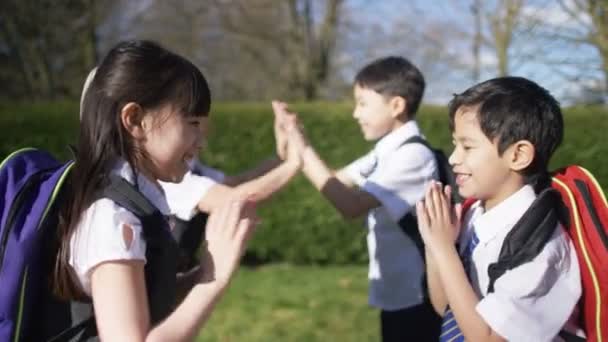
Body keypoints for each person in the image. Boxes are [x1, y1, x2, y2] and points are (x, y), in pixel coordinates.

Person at [49, 39, 270, 341]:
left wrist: (206, 269)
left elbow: (150, 298)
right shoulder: (112, 217)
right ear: (135, 120)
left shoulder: (134, 201)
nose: (200, 139)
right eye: (191, 121)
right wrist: (211, 281)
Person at [273, 56, 441, 341]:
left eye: (362, 103)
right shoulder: (386, 151)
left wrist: (304, 149)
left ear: (396, 106)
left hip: (418, 296)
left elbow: (350, 205)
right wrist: (293, 144)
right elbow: (334, 181)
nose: (355, 113)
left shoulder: (413, 156)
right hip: (398, 293)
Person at [416, 76, 583, 341]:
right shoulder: (474, 215)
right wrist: (435, 243)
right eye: (455, 144)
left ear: (517, 155)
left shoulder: (540, 248)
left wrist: (444, 250)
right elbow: (444, 307)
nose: (453, 158)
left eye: (467, 146)